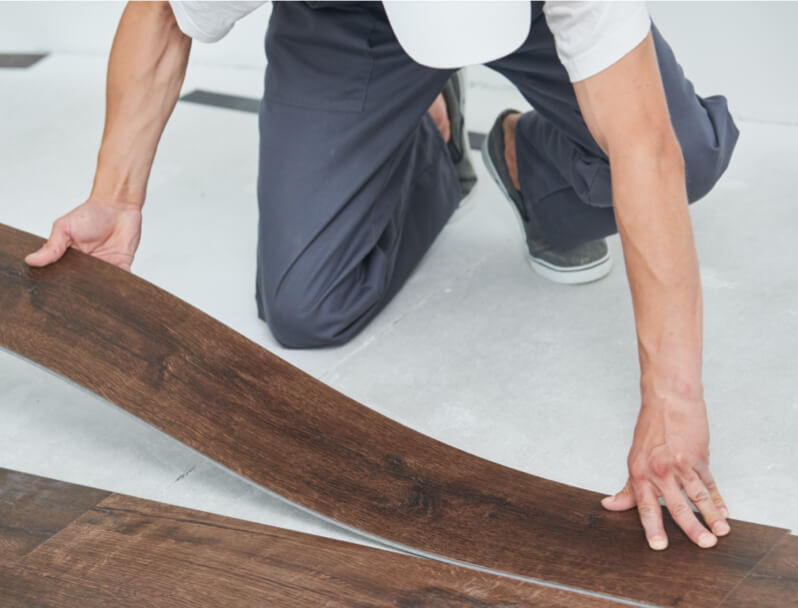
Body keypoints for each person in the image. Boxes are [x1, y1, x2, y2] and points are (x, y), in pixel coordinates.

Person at [25, 1, 739, 552]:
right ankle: (424, 137)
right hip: (347, 17)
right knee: (306, 306)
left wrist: (672, 401)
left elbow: (645, 145)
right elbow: (162, 12)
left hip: (527, 15)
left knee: (687, 154)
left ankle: (531, 166)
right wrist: (116, 196)